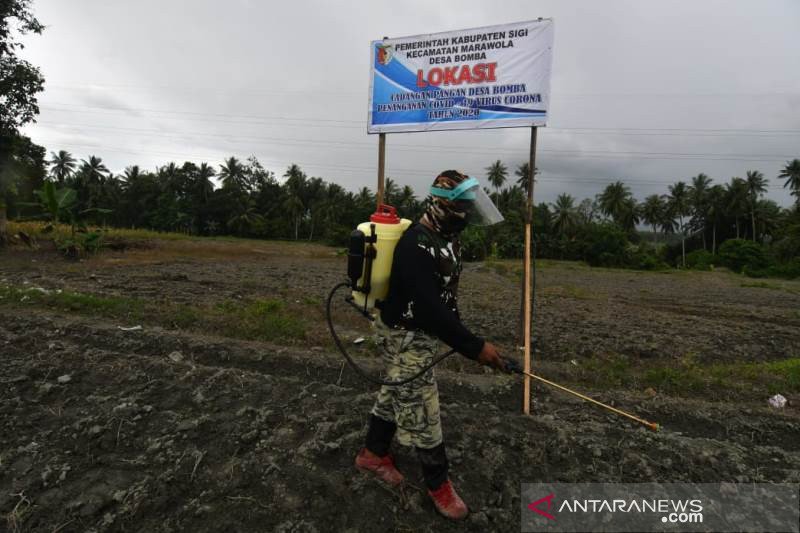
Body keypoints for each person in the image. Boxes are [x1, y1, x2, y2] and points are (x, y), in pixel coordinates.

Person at [354, 170, 507, 520]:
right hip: (404, 333)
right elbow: (428, 308)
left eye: (471, 206)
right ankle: (439, 485)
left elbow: (443, 299)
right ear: (442, 203)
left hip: (423, 332)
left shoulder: (447, 238)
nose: (467, 214)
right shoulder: (414, 243)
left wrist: (463, 335)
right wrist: (475, 346)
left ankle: (372, 454)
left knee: (396, 391)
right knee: (424, 408)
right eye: (462, 206)